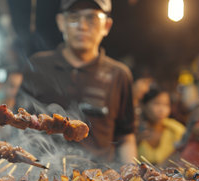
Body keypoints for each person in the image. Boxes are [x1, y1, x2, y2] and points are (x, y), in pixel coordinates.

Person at [17, 0, 136, 163]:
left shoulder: (119, 75)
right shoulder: (37, 66)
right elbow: (19, 124)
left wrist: (132, 180)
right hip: (42, 174)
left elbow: (125, 137)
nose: (82, 26)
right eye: (74, 18)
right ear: (61, 22)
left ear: (106, 26)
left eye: (92, 19)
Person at [137, 87, 185, 164]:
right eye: (157, 103)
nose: (162, 110)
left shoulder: (176, 129)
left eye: (166, 105)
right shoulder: (135, 130)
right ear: (144, 105)